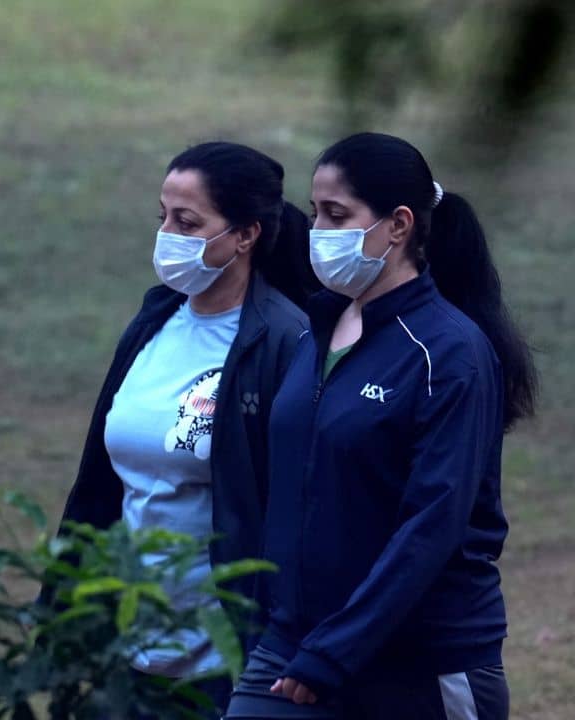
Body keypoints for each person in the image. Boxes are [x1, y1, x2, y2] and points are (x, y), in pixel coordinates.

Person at [224, 133, 538, 720]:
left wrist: (336, 651)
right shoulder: (315, 332)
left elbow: (432, 525)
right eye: (316, 212)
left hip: (416, 662)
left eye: (337, 215)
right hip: (292, 646)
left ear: (398, 225)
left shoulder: (448, 355)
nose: (317, 230)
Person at [59, 141, 319, 716]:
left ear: (245, 234)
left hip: (224, 660)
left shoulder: (283, 340)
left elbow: (294, 505)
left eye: (188, 221)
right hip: (127, 649)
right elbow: (102, 484)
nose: (168, 235)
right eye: (163, 217)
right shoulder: (155, 319)